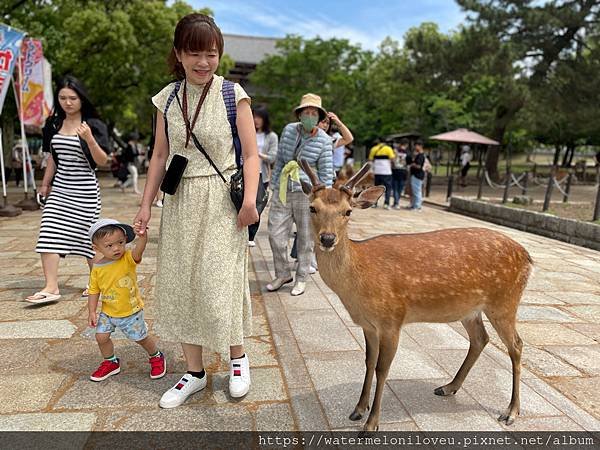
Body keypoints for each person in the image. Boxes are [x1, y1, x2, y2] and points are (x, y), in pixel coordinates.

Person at [134, 13, 259, 408]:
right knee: (182, 282)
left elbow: (252, 154)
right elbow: (159, 154)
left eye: (211, 53)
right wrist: (145, 205)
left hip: (223, 200)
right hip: (181, 198)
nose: (203, 62)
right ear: (178, 54)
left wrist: (251, 201)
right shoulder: (166, 98)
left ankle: (238, 359)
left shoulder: (232, 94)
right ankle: (194, 371)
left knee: (219, 281)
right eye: (194, 53)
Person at [26, 76, 110, 304]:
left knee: (87, 238)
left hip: (85, 191)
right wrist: (45, 184)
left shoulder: (94, 125)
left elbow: (103, 161)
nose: (68, 103)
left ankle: (96, 280)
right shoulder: (52, 125)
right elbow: (52, 157)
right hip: (61, 190)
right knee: (48, 232)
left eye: (73, 98)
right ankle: (51, 287)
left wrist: (90, 139)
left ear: (81, 99)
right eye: (62, 98)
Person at [267, 93, 333, 296]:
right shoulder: (288, 130)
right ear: (300, 114)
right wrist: (275, 184)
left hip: (308, 194)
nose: (310, 116)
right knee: (275, 233)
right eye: (307, 112)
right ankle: (282, 273)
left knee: (305, 238)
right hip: (284, 188)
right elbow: (279, 160)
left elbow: (327, 172)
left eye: (314, 113)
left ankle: (302, 277)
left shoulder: (324, 140)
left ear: (319, 117)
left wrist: (324, 201)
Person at [87, 218, 166, 382]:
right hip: (108, 312)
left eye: (120, 242)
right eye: (109, 246)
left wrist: (142, 238)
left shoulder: (127, 258)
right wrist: (92, 311)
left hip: (130, 311)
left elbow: (138, 252)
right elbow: (94, 290)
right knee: (101, 337)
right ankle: (111, 362)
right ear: (97, 248)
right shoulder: (97, 268)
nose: (117, 248)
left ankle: (156, 356)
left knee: (141, 338)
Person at [248, 106, 278, 247]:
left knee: (257, 204)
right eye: (254, 117)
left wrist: (256, 154)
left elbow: (272, 157)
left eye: (259, 117)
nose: (256, 120)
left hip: (262, 175)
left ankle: (251, 235)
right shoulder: (247, 131)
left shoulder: (271, 137)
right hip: (246, 172)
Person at [318, 112, 353, 176]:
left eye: (328, 123)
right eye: (323, 122)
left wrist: (338, 123)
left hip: (325, 177)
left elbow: (349, 139)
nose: (325, 125)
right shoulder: (303, 137)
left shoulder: (329, 141)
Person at [368, 140, 395, 209]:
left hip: (377, 171)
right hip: (386, 171)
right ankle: (386, 204)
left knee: (376, 188)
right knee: (388, 188)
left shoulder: (374, 149)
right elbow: (392, 159)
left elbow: (370, 160)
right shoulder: (388, 149)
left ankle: (374, 203)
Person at [407, 140, 426, 211]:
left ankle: (417, 206)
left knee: (417, 191)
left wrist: (412, 164)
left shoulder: (421, 155)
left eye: (416, 145)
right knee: (415, 190)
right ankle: (414, 204)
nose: (415, 147)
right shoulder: (418, 155)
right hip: (415, 174)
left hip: (417, 175)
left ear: (420, 146)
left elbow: (419, 166)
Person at [391, 139, 408, 209]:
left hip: (395, 170)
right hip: (403, 171)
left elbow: (392, 160)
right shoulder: (407, 152)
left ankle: (396, 203)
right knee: (400, 188)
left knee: (395, 188)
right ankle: (397, 202)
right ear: (406, 145)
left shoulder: (395, 151)